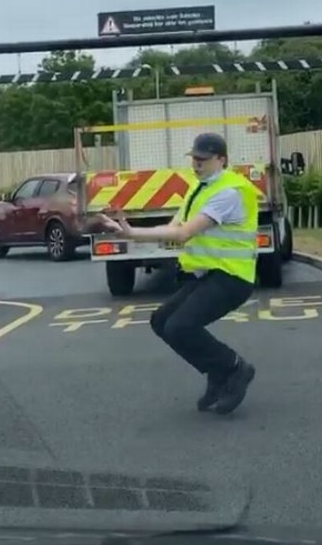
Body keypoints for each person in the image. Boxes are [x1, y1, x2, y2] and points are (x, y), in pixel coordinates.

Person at [97, 132, 257, 415]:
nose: (196, 164)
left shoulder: (229, 192)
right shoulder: (200, 188)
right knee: (161, 321)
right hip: (206, 275)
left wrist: (132, 232)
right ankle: (217, 373)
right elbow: (173, 228)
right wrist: (131, 231)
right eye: (194, 158)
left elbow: (183, 233)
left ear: (221, 160)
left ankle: (234, 368)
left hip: (232, 277)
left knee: (180, 326)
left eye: (203, 160)